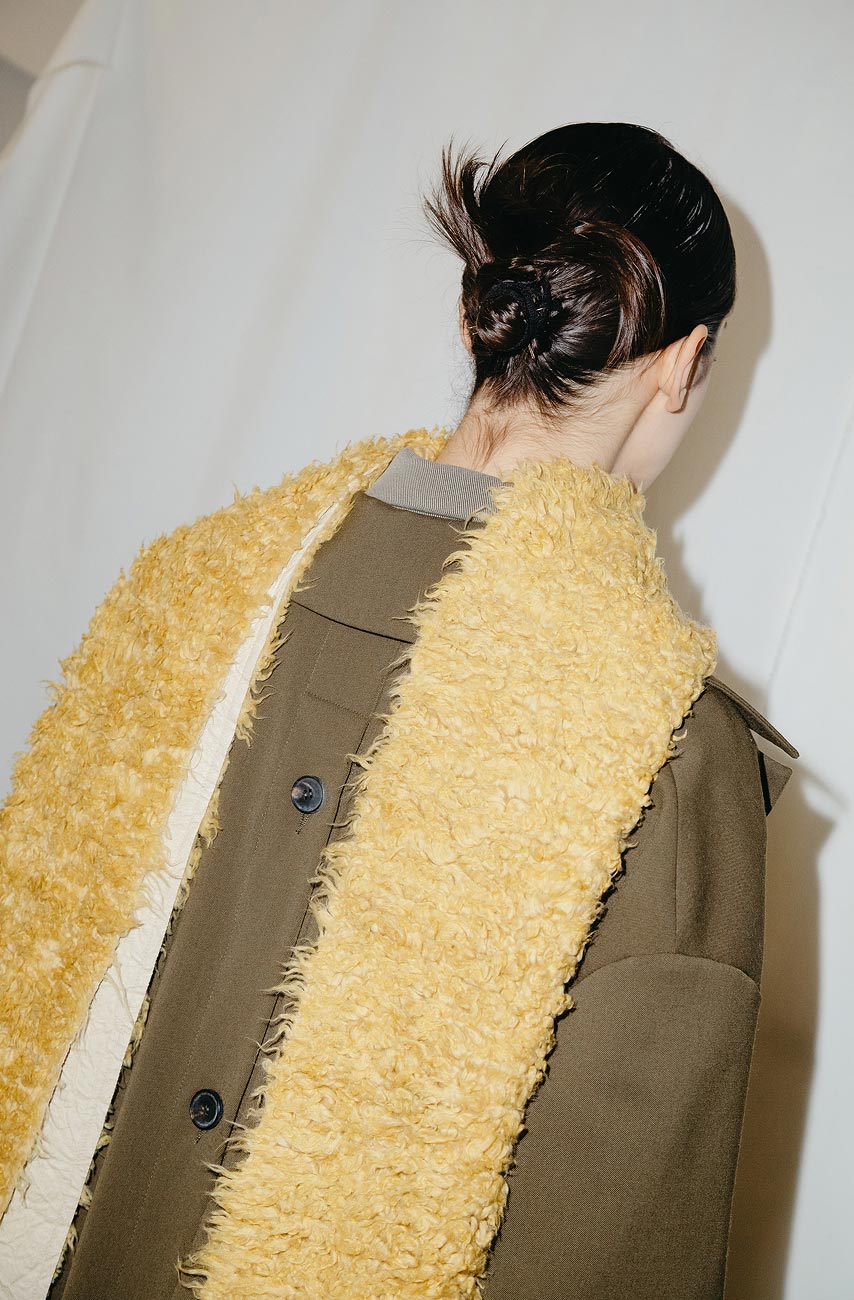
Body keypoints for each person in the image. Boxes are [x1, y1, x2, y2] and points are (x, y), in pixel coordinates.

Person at [0, 122, 798, 1300]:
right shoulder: (671, 747)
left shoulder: (186, 586)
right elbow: (615, 1244)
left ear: (480, 314)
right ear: (681, 365)